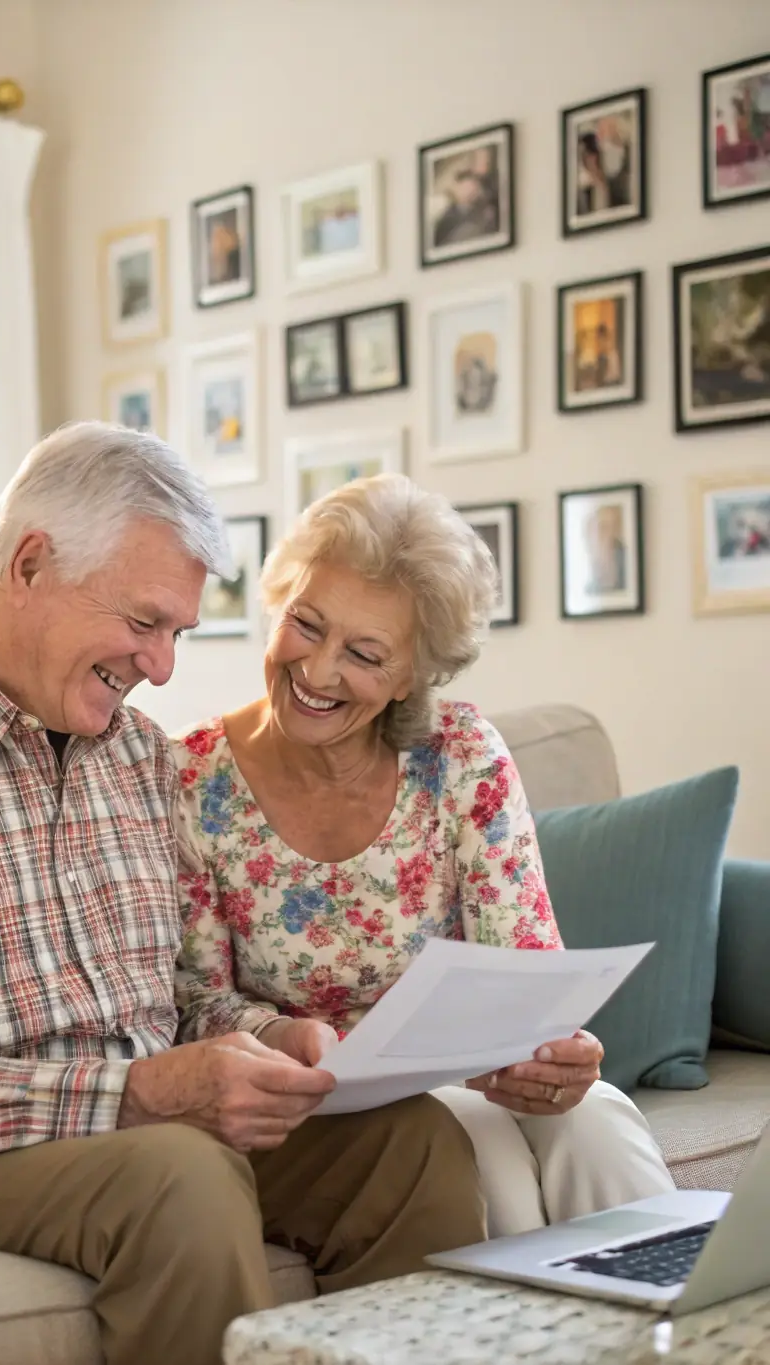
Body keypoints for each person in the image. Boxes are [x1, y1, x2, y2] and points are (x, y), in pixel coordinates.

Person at [0, 425, 487, 1365]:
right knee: (182, 1174)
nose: (165, 667)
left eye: (178, 631)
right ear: (28, 564)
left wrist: (265, 1037)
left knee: (408, 1143)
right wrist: (132, 1094)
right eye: (145, 623)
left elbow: (168, 995)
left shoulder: (134, 757)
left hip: (131, 1134)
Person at [173, 473, 675, 1239]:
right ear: (278, 599)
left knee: (597, 1122)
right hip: (329, 1110)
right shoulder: (192, 777)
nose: (317, 670)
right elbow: (196, 999)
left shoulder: (462, 755)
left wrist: (558, 1055)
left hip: (469, 1075)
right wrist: (284, 1035)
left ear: (413, 676)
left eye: (364, 653)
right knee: (486, 1164)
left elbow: (529, 967)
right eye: (307, 624)